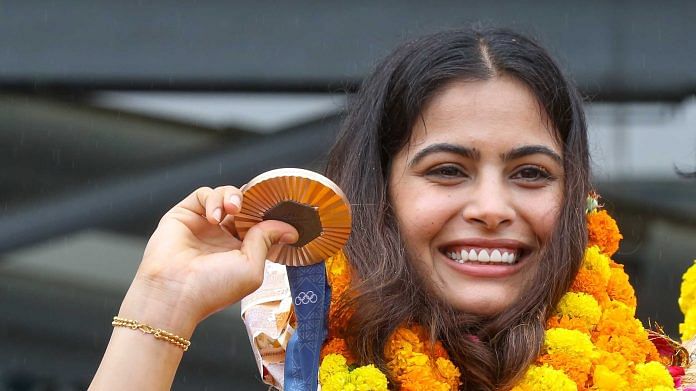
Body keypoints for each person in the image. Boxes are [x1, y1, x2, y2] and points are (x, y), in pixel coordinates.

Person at [90, 27, 590, 390]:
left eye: (531, 173)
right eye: (447, 170)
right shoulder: (315, 364)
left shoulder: (655, 373)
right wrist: (165, 302)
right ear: (381, 195)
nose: (491, 208)